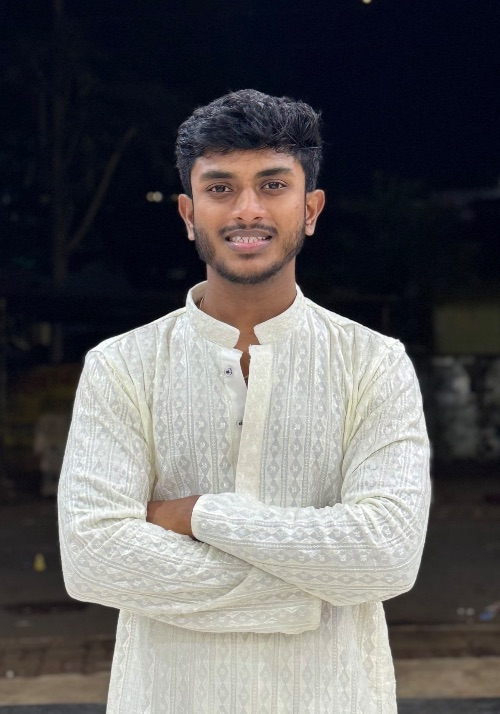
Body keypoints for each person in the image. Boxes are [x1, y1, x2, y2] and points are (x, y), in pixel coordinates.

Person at [58, 89, 431, 713]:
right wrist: (308, 593)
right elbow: (94, 556)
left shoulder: (373, 362)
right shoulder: (122, 365)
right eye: (220, 188)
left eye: (273, 185)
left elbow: (386, 556)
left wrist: (199, 515)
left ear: (310, 208)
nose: (247, 210)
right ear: (188, 212)